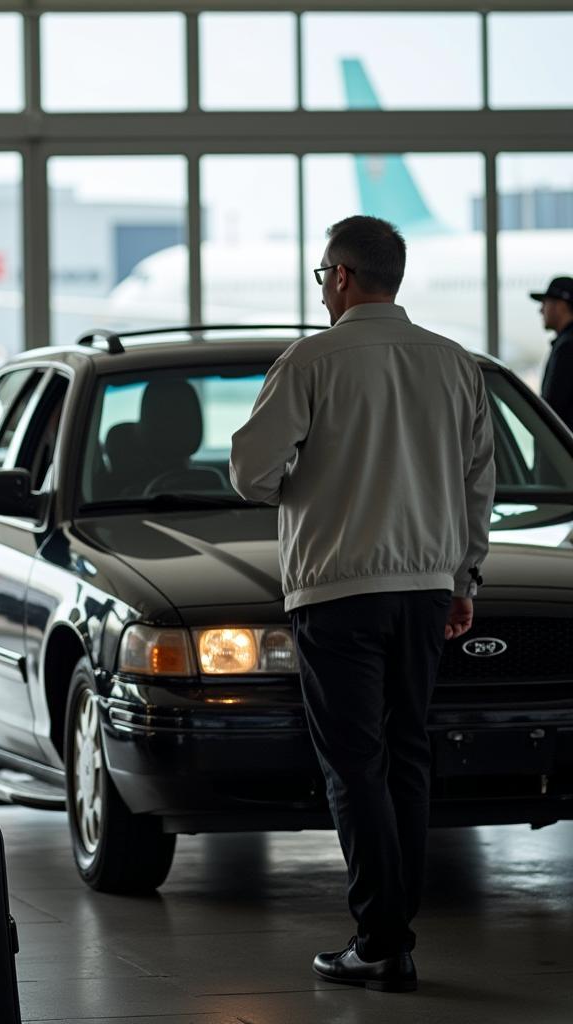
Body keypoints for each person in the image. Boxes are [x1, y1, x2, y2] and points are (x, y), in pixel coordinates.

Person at [229, 215, 495, 993]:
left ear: (342, 277)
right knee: (408, 754)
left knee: (354, 766)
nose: (322, 291)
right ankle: (393, 930)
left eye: (322, 277)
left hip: (338, 590)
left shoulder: (311, 360)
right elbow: (480, 484)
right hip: (425, 590)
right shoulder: (454, 364)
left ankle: (381, 940)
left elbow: (250, 470)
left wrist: (308, 479)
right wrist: (463, 580)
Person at [531, 275, 573, 432]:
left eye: (545, 303)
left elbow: (552, 410)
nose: (541, 310)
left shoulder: (567, 347)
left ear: (561, 306)